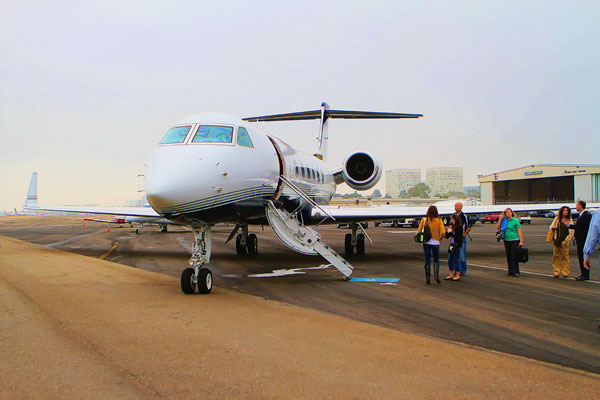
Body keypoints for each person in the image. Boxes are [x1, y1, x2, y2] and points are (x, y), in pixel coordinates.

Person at [417, 205, 446, 285]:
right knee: (436, 259)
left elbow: (419, 230)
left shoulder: (424, 219)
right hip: (436, 242)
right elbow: (443, 232)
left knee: (427, 259)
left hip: (426, 242)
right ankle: (436, 276)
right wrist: (440, 238)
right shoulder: (439, 220)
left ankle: (428, 278)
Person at [568, 201, 592, 281]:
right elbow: (578, 227)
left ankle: (585, 274)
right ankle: (584, 273)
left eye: (577, 205)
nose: (576, 207)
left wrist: (575, 235)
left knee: (582, 256)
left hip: (583, 239)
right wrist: (568, 225)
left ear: (581, 206)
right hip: (582, 239)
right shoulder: (583, 215)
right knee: (583, 257)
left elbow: (580, 228)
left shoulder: (585, 216)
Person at [496, 208, 523, 276]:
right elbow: (498, 227)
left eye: (509, 212)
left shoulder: (515, 221)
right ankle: (510, 271)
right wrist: (500, 219)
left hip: (514, 240)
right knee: (509, 255)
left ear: (512, 213)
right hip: (507, 240)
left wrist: (521, 241)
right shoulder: (504, 221)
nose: (508, 214)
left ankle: (516, 271)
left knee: (514, 256)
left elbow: (519, 231)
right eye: (507, 212)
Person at [549, 206, 574, 278]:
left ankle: (565, 271)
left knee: (565, 256)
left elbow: (571, 231)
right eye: (564, 210)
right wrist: (554, 228)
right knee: (556, 256)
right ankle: (556, 271)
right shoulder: (557, 219)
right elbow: (551, 226)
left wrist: (567, 240)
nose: (565, 212)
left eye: (567, 211)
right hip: (557, 239)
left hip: (565, 240)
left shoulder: (569, 220)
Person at [444, 214, 464, 281]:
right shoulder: (452, 226)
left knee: (456, 259)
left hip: (456, 245)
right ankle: (451, 274)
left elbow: (458, 237)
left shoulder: (459, 227)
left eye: (453, 219)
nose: (451, 221)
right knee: (450, 259)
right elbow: (447, 236)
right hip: (452, 244)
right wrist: (447, 231)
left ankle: (457, 274)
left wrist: (451, 232)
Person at [454, 202, 472, 275]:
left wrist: (464, 234)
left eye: (457, 206)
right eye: (455, 206)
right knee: (454, 255)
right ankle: (456, 269)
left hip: (461, 238)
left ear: (461, 207)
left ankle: (462, 270)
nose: (456, 207)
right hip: (454, 238)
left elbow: (469, 226)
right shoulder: (453, 216)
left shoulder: (464, 216)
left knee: (462, 255)